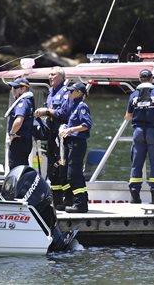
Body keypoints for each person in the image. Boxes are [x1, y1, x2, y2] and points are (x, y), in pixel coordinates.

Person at [124, 69, 154, 204]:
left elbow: (128, 116)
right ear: (152, 79)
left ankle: (134, 194)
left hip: (138, 132)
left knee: (136, 163)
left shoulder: (134, 95)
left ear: (140, 79)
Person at [34, 67, 72, 209]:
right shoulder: (50, 93)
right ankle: (57, 202)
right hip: (51, 136)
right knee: (52, 170)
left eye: (53, 75)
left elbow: (65, 113)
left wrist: (48, 111)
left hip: (61, 138)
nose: (50, 77)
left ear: (61, 77)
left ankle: (68, 199)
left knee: (62, 168)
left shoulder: (65, 93)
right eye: (49, 74)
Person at [58, 82, 93, 213]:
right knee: (66, 172)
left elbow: (86, 124)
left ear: (79, 92)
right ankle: (72, 200)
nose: (69, 93)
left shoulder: (82, 106)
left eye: (72, 91)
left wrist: (70, 130)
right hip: (70, 143)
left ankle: (81, 204)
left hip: (77, 144)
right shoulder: (73, 106)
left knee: (74, 174)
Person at [5, 77, 35, 169]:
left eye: (15, 88)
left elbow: (19, 120)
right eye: (12, 88)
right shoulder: (29, 100)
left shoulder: (23, 102)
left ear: (23, 88)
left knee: (15, 168)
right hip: (25, 141)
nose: (12, 90)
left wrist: (12, 134)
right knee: (22, 167)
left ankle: (18, 183)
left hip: (19, 140)